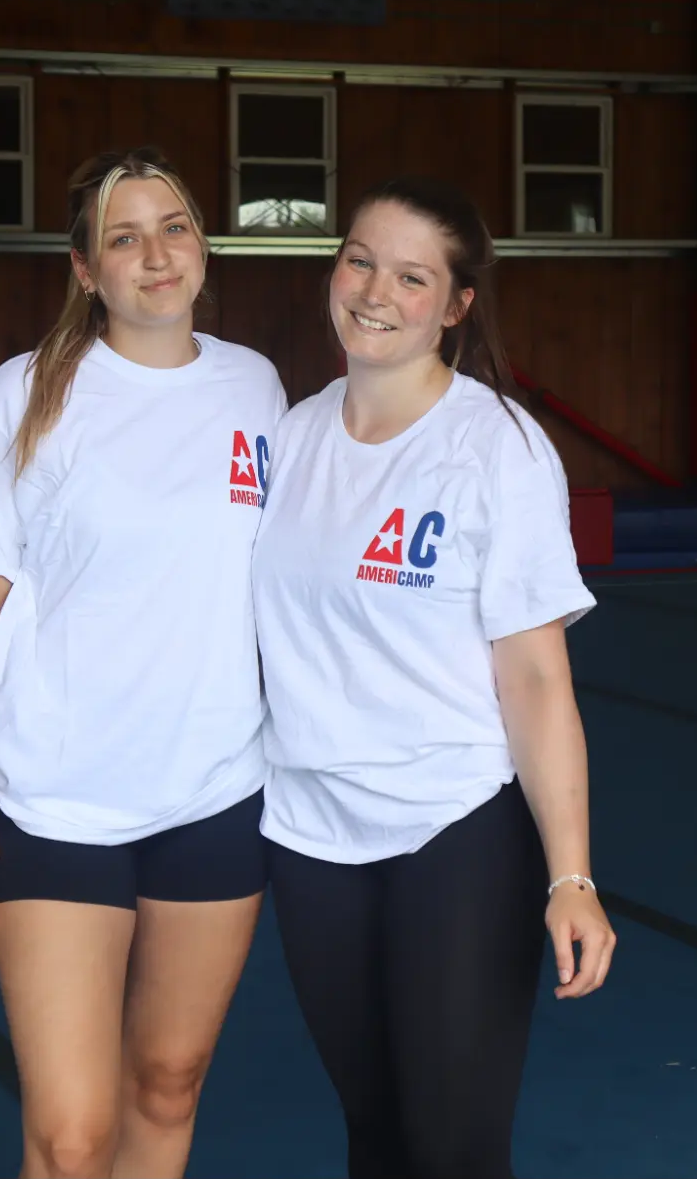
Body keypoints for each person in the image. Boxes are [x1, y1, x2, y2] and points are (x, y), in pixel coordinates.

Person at [0, 147, 287, 1180]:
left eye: (173, 227)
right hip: (57, 797)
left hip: (214, 791)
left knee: (166, 1081)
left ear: (202, 246)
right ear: (84, 270)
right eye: (123, 238)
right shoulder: (29, 393)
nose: (155, 255)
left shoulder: (254, 386)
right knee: (71, 1137)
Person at [250, 177, 615, 1180]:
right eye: (359, 260)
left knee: (452, 1146)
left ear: (455, 305)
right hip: (311, 832)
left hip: (453, 825)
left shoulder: (496, 449)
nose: (375, 291)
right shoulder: (290, 437)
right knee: (374, 1133)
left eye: (412, 277)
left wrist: (571, 876)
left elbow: (535, 678)